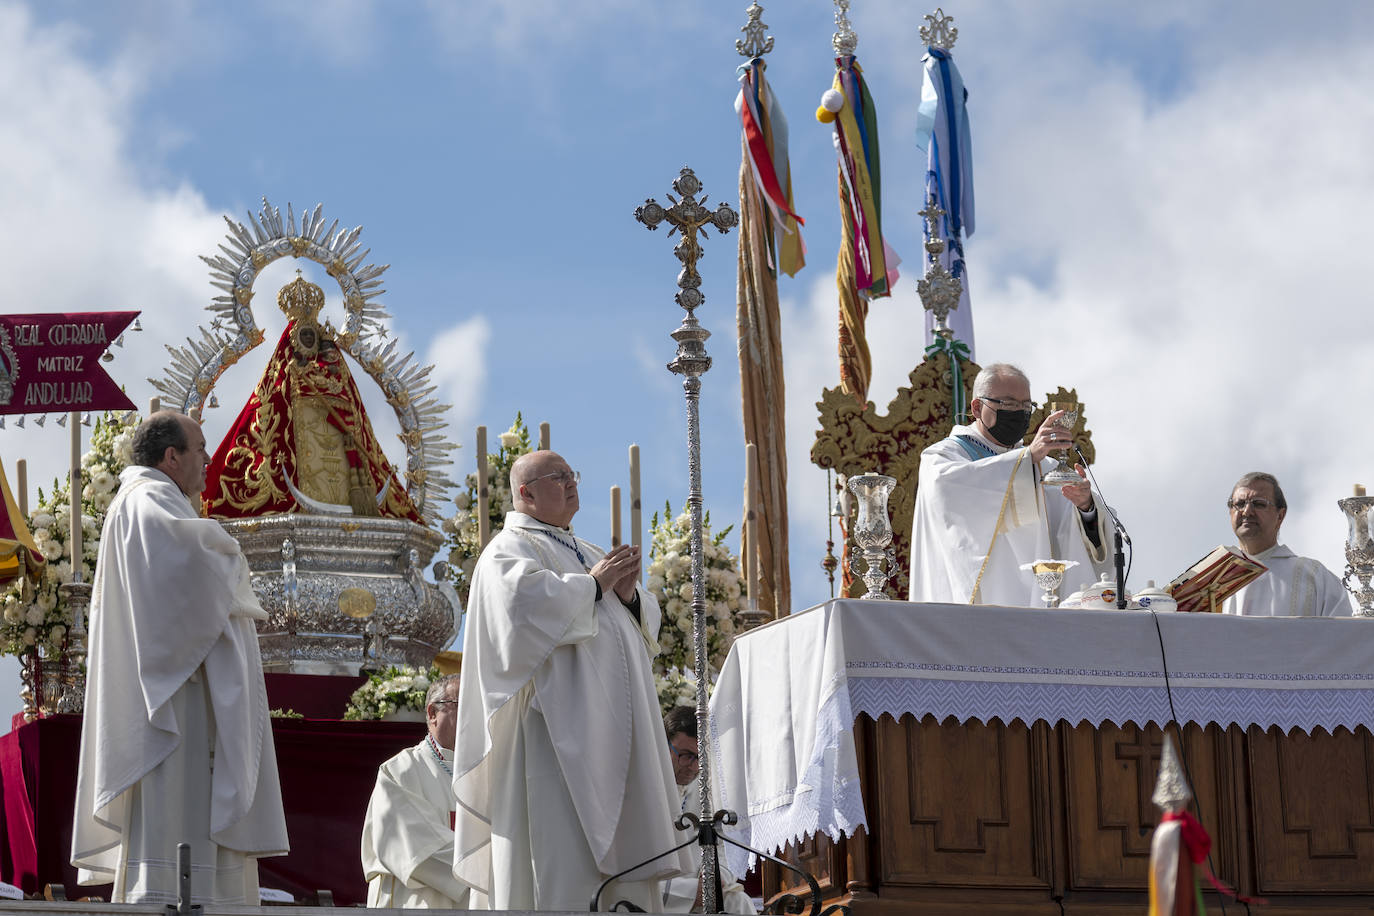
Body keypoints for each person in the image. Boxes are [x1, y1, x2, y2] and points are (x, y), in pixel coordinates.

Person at [452, 450, 690, 911]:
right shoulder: (507, 548)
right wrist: (593, 587)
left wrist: (629, 596)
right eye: (557, 477)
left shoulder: (590, 552)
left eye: (571, 475)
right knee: (563, 852)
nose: (571, 484)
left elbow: (643, 623)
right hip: (554, 733)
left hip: (614, 730)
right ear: (526, 493)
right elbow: (519, 611)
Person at [72, 411, 288, 904]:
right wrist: (232, 552)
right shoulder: (148, 499)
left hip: (176, 687)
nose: (209, 461)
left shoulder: (147, 500)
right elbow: (194, 567)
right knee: (179, 816)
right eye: (200, 449)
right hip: (173, 701)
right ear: (172, 457)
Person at [909, 363, 1110, 606]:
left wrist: (1085, 506)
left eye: (1026, 406)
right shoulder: (942, 457)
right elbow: (947, 492)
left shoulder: (1043, 466)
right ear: (977, 407)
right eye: (1009, 404)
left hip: (1038, 604)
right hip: (977, 603)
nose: (1020, 413)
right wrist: (1025, 460)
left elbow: (1070, 531)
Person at [361, 673, 472, 908]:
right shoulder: (400, 771)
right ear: (432, 714)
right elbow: (418, 849)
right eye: (464, 704)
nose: (474, 714)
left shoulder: (489, 772)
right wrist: (492, 863)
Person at [662, 706, 756, 915]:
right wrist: (689, 892)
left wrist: (715, 875)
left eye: (700, 757)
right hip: (659, 894)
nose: (694, 767)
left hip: (701, 890)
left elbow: (724, 845)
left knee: (737, 902)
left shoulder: (707, 787)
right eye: (686, 755)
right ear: (663, 745)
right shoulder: (642, 790)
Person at [1221, 472, 1352, 617]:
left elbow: (1344, 635)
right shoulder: (1211, 579)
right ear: (1230, 512)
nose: (1247, 511)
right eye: (1239, 504)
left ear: (1280, 516)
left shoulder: (1315, 577)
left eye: (1258, 504)